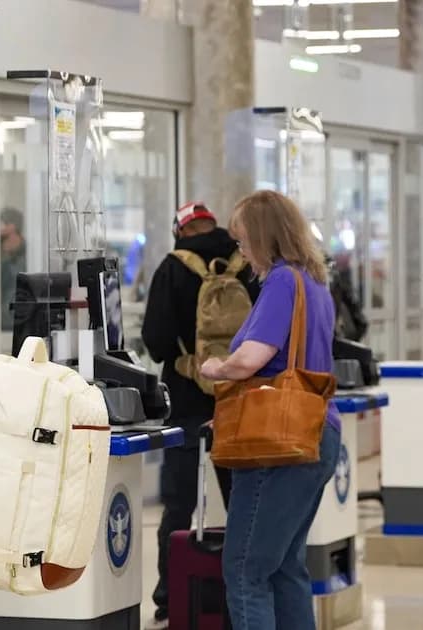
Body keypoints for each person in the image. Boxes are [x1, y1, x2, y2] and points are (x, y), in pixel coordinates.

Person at [199, 190, 340, 630]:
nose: (241, 251)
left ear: (264, 237)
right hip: (317, 430)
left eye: (243, 241)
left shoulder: (282, 281)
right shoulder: (314, 282)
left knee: (245, 570)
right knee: (284, 568)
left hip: (276, 443)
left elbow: (251, 359)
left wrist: (216, 367)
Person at [141, 201, 258, 628]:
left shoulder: (172, 268)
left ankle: (170, 597)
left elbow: (156, 341)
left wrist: (186, 360)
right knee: (240, 501)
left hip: (186, 400)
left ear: (180, 230)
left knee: (178, 505)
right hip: (237, 399)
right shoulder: (246, 264)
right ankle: (238, 594)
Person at [0, 207, 27, 331]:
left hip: (20, 323)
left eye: (1, 223)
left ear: (11, 227)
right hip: (1, 324)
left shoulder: (31, 257)